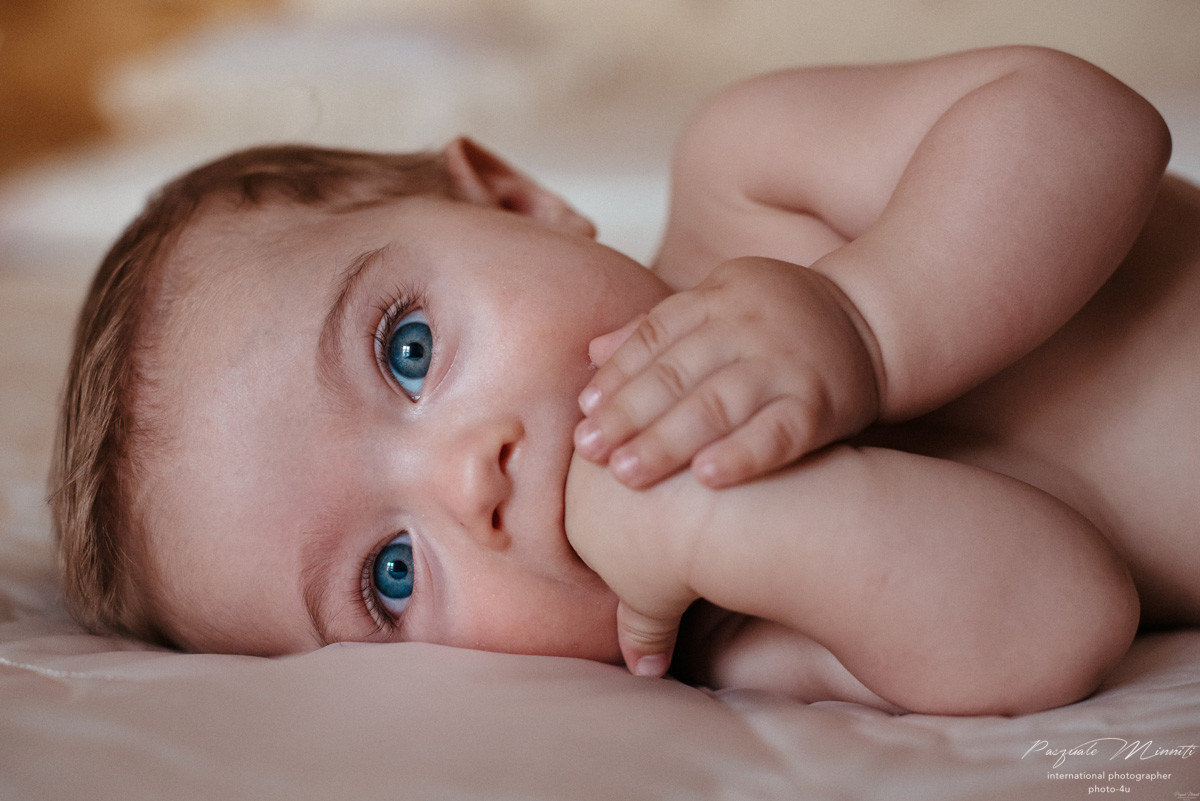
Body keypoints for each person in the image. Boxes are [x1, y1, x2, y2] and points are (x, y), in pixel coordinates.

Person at [50, 45, 1198, 716]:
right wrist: (722, 524)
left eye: (408, 350)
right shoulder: (743, 636)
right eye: (391, 577)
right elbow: (1066, 616)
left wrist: (863, 317)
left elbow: (1089, 120)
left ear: (512, 202)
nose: (469, 477)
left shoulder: (750, 184)